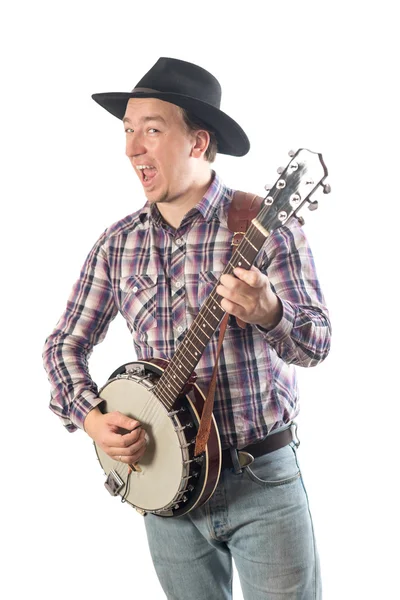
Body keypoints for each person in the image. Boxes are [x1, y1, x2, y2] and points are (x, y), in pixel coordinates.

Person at [43, 57, 331, 599]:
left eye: (151, 130)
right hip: (165, 489)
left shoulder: (264, 226)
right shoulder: (118, 244)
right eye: (128, 131)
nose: (132, 149)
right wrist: (90, 417)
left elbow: (316, 342)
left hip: (261, 481)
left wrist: (270, 311)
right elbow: (64, 344)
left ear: (198, 143)